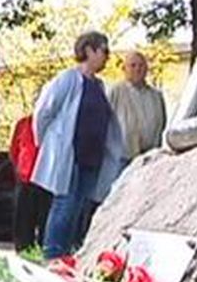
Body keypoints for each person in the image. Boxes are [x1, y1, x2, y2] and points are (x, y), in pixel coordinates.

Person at [32, 32, 127, 260]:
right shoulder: (68, 79)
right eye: (104, 50)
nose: (107, 57)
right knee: (64, 205)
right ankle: (53, 254)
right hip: (70, 155)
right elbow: (44, 112)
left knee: (79, 208)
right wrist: (49, 145)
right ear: (89, 50)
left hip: (92, 157)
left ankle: (68, 255)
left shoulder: (100, 85)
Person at [107, 51, 166, 159]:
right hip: (122, 157)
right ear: (124, 69)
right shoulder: (116, 92)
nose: (138, 69)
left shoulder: (156, 96)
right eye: (133, 65)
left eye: (141, 65)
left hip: (150, 157)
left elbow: (163, 125)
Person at [10, 114, 49, 252]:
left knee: (44, 221)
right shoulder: (23, 123)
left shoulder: (52, 124)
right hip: (25, 178)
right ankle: (23, 252)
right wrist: (19, 170)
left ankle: (42, 250)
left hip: (44, 179)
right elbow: (14, 150)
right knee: (23, 222)